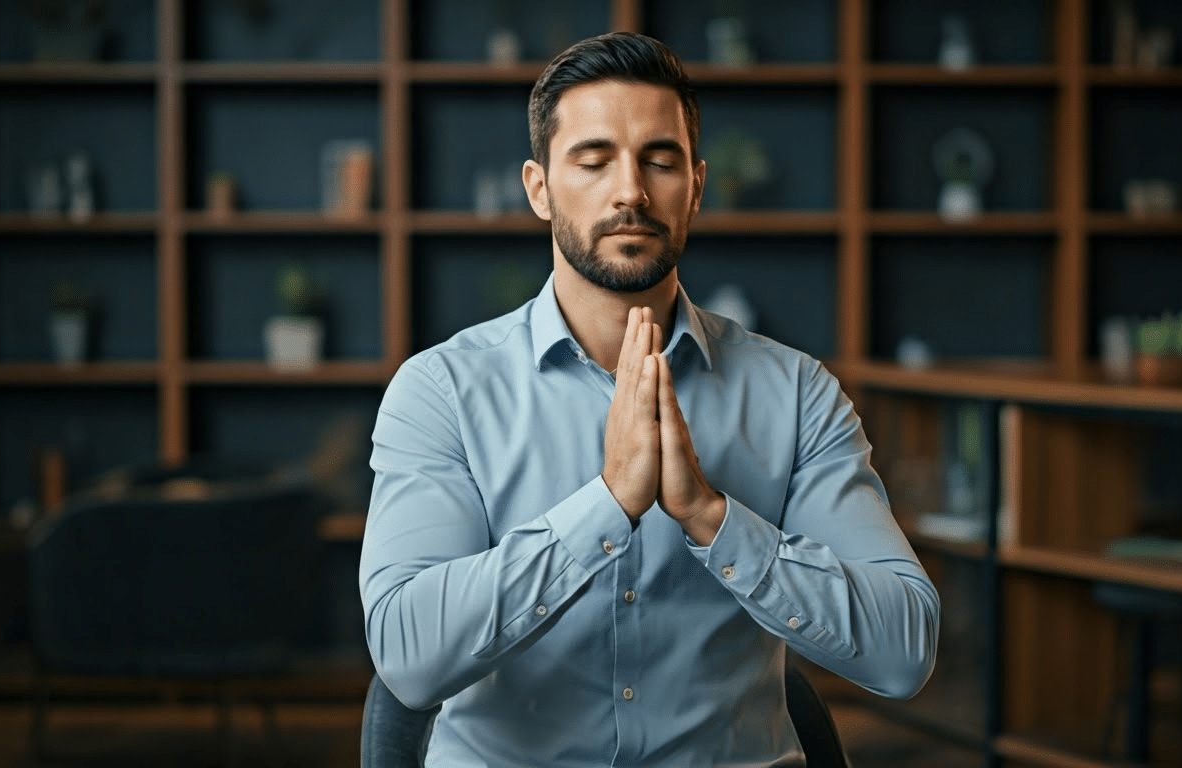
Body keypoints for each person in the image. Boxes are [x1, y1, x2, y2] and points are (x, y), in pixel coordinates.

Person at [360, 31, 939, 767]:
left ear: (695, 185)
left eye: (659, 161)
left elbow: (904, 653)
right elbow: (409, 659)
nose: (629, 189)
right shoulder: (440, 391)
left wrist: (712, 518)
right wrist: (605, 507)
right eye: (593, 160)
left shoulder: (795, 394)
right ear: (539, 189)